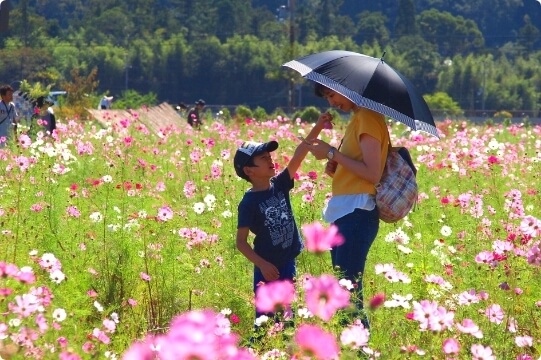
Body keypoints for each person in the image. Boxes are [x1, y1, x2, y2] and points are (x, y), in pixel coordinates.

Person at [307, 82, 390, 328]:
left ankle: (360, 351)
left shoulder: (367, 117)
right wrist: (338, 167)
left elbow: (373, 173)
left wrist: (333, 154)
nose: (332, 103)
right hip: (348, 212)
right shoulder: (359, 118)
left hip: (357, 214)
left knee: (348, 295)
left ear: (348, 87)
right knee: (344, 291)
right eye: (327, 98)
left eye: (332, 95)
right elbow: (360, 171)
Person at [234, 113, 332, 321]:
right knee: (265, 318)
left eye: (269, 156)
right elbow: (241, 243)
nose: (270, 160)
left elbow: (300, 153)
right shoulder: (248, 203)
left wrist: (318, 126)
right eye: (263, 158)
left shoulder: (279, 184)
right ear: (249, 170)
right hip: (267, 268)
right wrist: (262, 264)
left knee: (288, 316)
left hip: (288, 262)